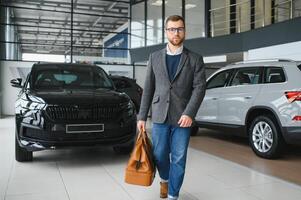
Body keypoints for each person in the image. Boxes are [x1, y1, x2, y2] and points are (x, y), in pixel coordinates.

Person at [137, 15, 206, 200]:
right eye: (172, 29)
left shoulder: (195, 59)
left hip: (182, 117)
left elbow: (199, 88)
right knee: (159, 155)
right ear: (166, 32)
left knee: (178, 158)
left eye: (179, 29)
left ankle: (173, 195)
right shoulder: (154, 57)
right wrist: (141, 117)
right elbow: (149, 88)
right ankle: (165, 180)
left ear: (184, 31)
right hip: (159, 115)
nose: (176, 33)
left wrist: (189, 113)